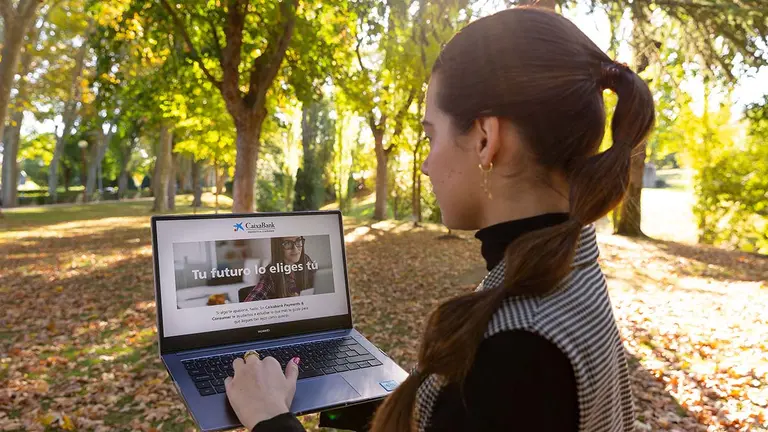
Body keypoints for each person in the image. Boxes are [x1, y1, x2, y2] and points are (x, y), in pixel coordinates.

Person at [223, 6, 654, 432]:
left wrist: (269, 420)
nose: (427, 164)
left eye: (431, 135)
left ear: (486, 139)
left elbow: (492, 399)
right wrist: (335, 400)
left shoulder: (512, 357)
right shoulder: (564, 266)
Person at [242, 236, 316, 301]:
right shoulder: (270, 273)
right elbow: (250, 303)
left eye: (298, 241)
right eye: (287, 243)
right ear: (278, 247)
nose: (296, 249)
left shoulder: (305, 260)